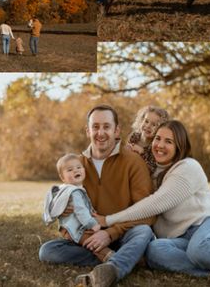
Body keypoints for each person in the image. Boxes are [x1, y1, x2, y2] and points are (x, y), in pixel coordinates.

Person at [97, 119, 210, 279]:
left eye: (168, 141)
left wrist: (108, 220)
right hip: (181, 238)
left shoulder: (187, 167)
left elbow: (154, 204)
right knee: (154, 250)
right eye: (157, 138)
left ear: (179, 147)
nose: (160, 145)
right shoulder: (151, 173)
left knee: (200, 249)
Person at [39, 104, 155, 287]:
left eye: (106, 127)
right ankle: (126, 258)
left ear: (117, 130)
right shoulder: (77, 165)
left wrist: (110, 234)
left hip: (125, 234)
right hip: (91, 237)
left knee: (144, 232)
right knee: (47, 251)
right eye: (95, 127)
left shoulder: (134, 162)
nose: (100, 133)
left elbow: (147, 213)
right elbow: (65, 207)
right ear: (87, 131)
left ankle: (113, 269)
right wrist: (66, 226)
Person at [43, 153, 114, 263]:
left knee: (93, 241)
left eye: (78, 167)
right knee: (93, 242)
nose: (76, 171)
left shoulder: (73, 189)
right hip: (79, 230)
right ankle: (110, 257)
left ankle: (98, 255)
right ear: (62, 177)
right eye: (70, 170)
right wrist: (93, 224)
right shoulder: (74, 191)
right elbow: (81, 212)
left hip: (77, 228)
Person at [126, 105, 169, 174]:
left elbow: (151, 169)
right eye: (146, 121)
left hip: (141, 176)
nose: (148, 126)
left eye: (154, 125)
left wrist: (142, 153)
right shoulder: (134, 136)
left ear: (160, 129)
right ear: (141, 120)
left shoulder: (155, 146)